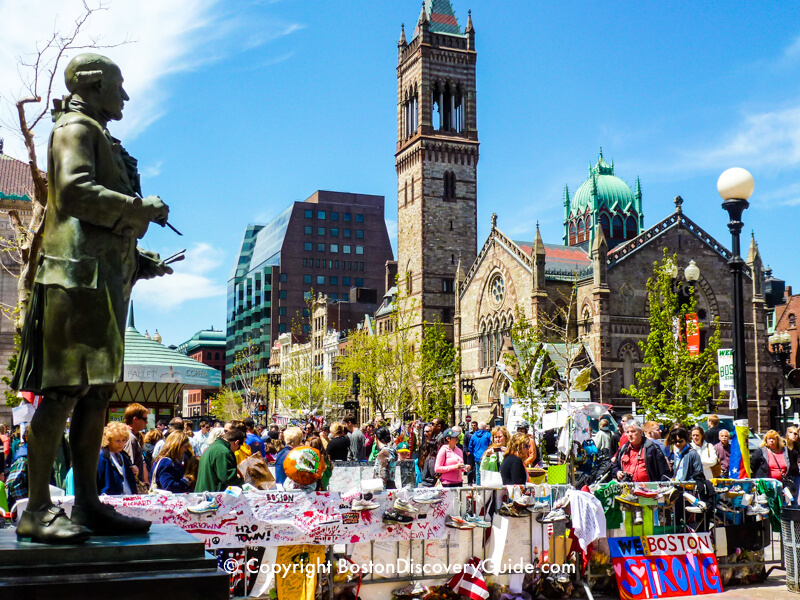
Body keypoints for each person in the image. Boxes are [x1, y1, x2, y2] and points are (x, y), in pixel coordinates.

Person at [11, 53, 173, 543]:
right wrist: (139, 207)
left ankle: (86, 503)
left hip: (103, 280)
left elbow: (93, 221)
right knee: (63, 392)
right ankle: (37, 509)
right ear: (94, 84)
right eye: (118, 87)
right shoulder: (75, 129)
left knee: (98, 393)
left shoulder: (98, 134)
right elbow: (74, 192)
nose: (124, 97)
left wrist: (136, 259)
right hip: (75, 281)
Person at [195, 428, 245, 493]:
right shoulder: (223, 452)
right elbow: (227, 478)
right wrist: (242, 482)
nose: (237, 450)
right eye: (239, 447)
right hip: (212, 496)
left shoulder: (214, 446)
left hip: (205, 492)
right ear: (236, 442)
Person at [97, 422, 139, 496]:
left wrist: (134, 472)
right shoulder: (102, 457)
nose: (121, 444)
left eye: (123, 440)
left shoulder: (125, 456)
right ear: (109, 440)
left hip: (129, 500)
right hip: (110, 501)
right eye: (117, 441)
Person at [123, 403, 148, 485]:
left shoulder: (129, 435)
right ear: (135, 419)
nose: (147, 422)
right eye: (144, 419)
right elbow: (130, 466)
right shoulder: (130, 438)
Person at [786, 426, 800, 505]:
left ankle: (794, 515)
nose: (795, 435)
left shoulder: (797, 446)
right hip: (787, 475)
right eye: (794, 433)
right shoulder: (783, 446)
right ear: (788, 433)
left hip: (796, 473)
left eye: (797, 434)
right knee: (785, 497)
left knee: (795, 498)